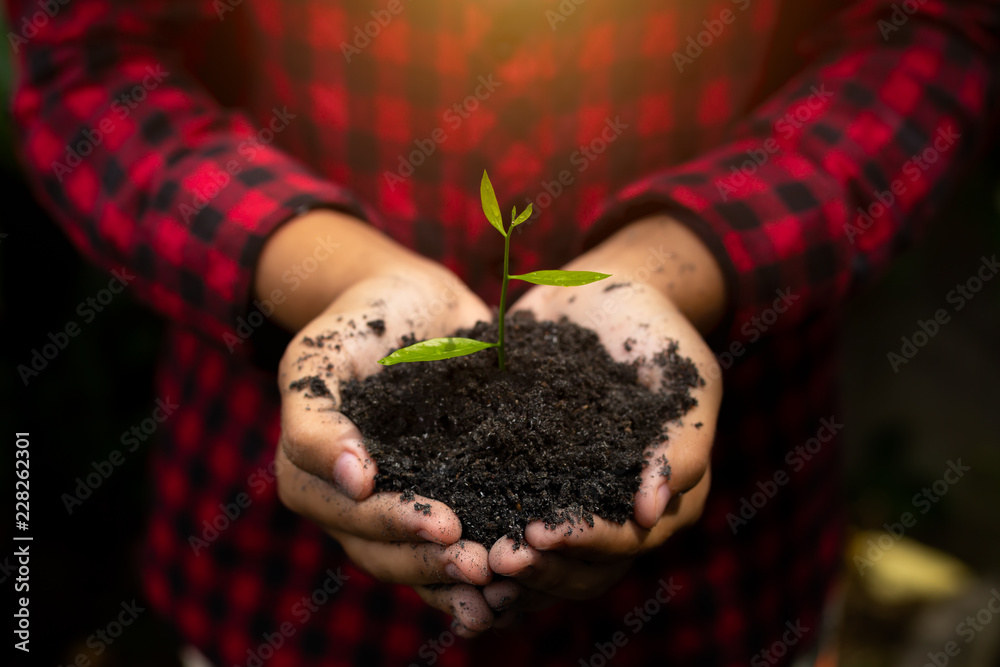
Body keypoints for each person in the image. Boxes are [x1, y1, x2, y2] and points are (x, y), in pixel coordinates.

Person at [6, 0, 999, 664]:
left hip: (718, 575)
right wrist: (338, 274)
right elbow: (87, 65)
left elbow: (923, 32)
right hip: (280, 578)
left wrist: (672, 265)